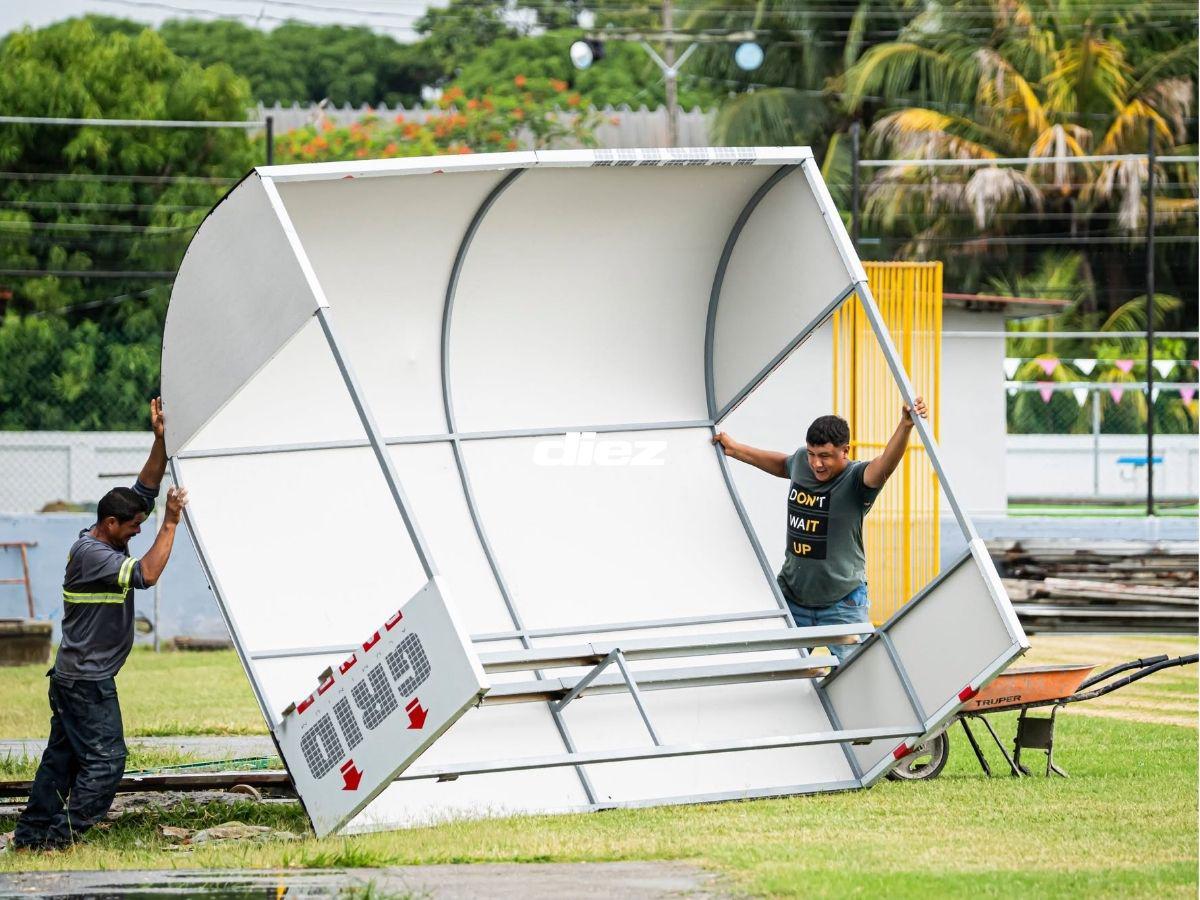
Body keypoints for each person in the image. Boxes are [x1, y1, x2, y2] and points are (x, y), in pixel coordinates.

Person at [13, 398, 188, 851]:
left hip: (74, 676)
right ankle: (59, 840)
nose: (137, 532)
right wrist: (170, 523)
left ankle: (32, 837)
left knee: (62, 761)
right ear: (111, 524)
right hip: (86, 682)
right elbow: (147, 575)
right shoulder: (95, 557)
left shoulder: (101, 536)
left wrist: (162, 441)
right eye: (133, 528)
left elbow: (144, 489)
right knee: (107, 763)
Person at [713, 397, 928, 662]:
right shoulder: (802, 462)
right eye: (813, 454)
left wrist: (905, 426)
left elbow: (885, 464)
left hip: (843, 603)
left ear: (845, 451)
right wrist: (736, 450)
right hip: (792, 597)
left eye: (825, 456)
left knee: (857, 674)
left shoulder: (858, 480)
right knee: (783, 675)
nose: (817, 464)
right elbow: (784, 465)